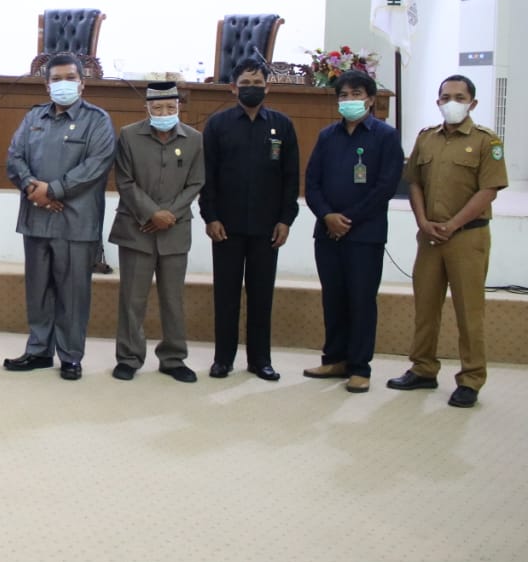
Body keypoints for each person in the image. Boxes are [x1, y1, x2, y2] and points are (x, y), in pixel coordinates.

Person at [387, 75, 508, 408]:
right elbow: (414, 183)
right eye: (445, 97)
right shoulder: (426, 138)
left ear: (473, 103)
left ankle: (471, 379)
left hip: (467, 237)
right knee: (425, 307)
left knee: (469, 312)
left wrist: (453, 224)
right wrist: (423, 222)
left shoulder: (487, 142)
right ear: (438, 101)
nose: (451, 102)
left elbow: (489, 190)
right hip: (430, 238)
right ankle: (423, 368)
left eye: (459, 97)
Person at [4, 53, 116, 380]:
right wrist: (32, 188)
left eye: (70, 78)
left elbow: (95, 166)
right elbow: (14, 158)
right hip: (36, 218)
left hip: (75, 221)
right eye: (56, 79)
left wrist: (52, 190)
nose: (63, 84)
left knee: (72, 293)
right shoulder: (33, 117)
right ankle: (39, 351)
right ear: (47, 84)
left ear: (82, 83)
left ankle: (70, 356)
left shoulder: (98, 120)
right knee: (38, 291)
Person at [302, 70, 403, 393]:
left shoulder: (386, 136)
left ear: (370, 100)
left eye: (356, 94)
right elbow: (312, 182)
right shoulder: (327, 136)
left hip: (364, 234)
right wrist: (327, 216)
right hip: (327, 233)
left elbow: (386, 186)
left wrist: (348, 220)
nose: (349, 100)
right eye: (343, 95)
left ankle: (359, 367)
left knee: (361, 300)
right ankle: (335, 359)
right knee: (333, 298)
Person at [199, 56, 299, 381]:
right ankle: (223, 359)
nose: (251, 88)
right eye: (245, 84)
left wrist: (286, 219)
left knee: (261, 297)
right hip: (225, 227)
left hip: (267, 227)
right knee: (226, 296)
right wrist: (210, 216)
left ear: (267, 87)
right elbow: (207, 176)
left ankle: (260, 360)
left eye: (258, 84)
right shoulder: (217, 125)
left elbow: (291, 177)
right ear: (233, 88)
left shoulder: (282, 125)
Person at [109, 82, 205, 383]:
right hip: (136, 228)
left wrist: (169, 215)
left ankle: (173, 358)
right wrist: (152, 213)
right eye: (158, 107)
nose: (164, 113)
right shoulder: (128, 136)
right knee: (132, 299)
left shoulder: (194, 139)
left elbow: (196, 182)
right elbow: (124, 181)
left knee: (173, 299)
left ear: (179, 107)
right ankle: (129, 357)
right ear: (147, 108)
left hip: (174, 231)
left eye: (170, 107)